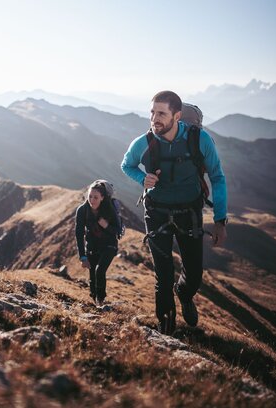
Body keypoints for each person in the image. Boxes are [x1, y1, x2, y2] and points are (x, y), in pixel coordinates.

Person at [121, 90, 227, 334]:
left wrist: (220, 220)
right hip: (156, 212)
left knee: (194, 274)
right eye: (152, 113)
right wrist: (142, 178)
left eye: (161, 113)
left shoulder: (200, 140)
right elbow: (126, 165)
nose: (154, 119)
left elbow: (217, 177)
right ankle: (166, 331)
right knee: (163, 274)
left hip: (189, 212)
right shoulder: (143, 142)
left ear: (176, 116)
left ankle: (185, 293)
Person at [75, 180, 119, 307]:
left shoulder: (109, 209)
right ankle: (95, 301)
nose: (92, 200)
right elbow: (79, 234)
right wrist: (82, 257)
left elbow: (117, 231)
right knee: (93, 279)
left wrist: (106, 226)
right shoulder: (82, 210)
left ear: (102, 198)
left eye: (95, 197)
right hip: (92, 248)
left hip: (109, 246)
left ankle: (101, 301)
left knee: (99, 271)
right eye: (90, 196)